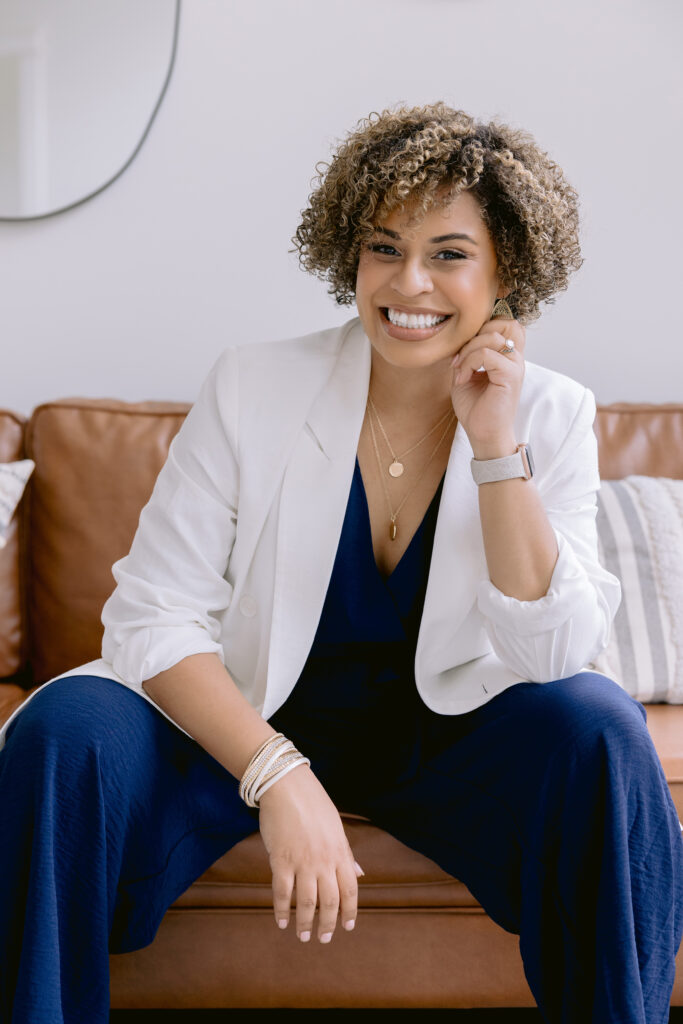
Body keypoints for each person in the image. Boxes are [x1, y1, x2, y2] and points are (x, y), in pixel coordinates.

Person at [0, 103, 681, 1024]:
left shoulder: (549, 413)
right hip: (245, 721)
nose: (408, 282)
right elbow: (150, 619)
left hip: (445, 740)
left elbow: (555, 652)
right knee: (66, 724)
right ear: (346, 255)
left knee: (602, 724)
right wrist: (278, 774)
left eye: (448, 253)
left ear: (505, 270)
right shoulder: (252, 383)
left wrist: (493, 445)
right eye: (381, 247)